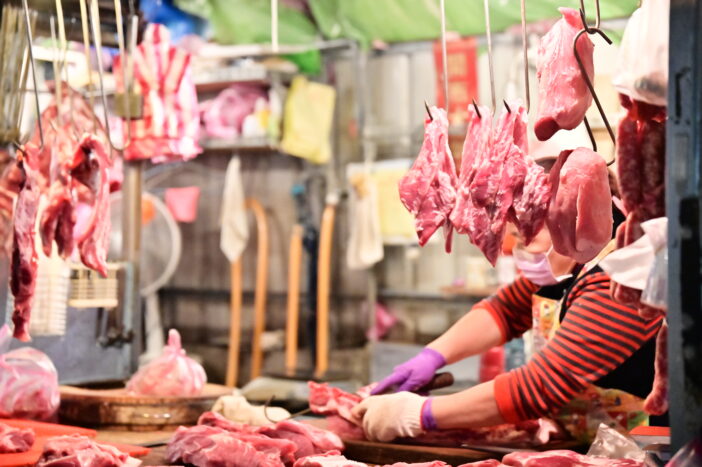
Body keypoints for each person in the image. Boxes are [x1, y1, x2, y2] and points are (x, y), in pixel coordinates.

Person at [351, 158, 664, 443]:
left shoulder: (622, 277)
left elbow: (541, 385)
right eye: (518, 230)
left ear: (572, 214)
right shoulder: (573, 257)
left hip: (646, 448)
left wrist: (421, 414)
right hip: (590, 444)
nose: (520, 243)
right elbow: (505, 310)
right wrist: (431, 356)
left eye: (529, 228)